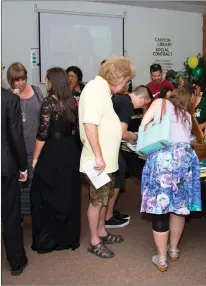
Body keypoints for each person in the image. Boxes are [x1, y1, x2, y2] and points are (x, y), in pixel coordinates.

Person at [79, 56, 136, 259]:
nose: (125, 85)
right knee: (97, 202)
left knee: (104, 200)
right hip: (98, 162)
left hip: (106, 161)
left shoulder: (103, 90)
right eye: (126, 80)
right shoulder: (95, 89)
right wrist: (99, 156)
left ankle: (102, 232)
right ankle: (94, 241)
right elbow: (89, 124)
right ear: (118, 77)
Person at [140, 88, 202, 272]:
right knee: (179, 206)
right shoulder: (187, 115)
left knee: (160, 208)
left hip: (162, 160)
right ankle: (173, 250)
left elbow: (144, 125)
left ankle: (161, 259)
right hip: (184, 159)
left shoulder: (159, 103)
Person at [30, 67, 81, 254]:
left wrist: (35, 158)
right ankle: (67, 237)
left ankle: (49, 238)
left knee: (47, 193)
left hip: (53, 151)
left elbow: (42, 134)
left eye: (47, 79)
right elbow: (75, 131)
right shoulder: (73, 102)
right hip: (70, 151)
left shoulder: (48, 103)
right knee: (68, 193)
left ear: (52, 82)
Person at [105, 85, 152, 228]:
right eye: (143, 104)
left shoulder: (119, 99)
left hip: (105, 143)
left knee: (119, 172)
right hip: (108, 145)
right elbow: (123, 133)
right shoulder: (128, 104)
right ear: (142, 98)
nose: (140, 107)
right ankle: (108, 217)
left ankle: (108, 212)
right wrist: (136, 137)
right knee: (118, 175)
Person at [6, 62, 44, 217]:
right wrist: (13, 99)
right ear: (11, 80)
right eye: (17, 80)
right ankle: (19, 217)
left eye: (23, 79)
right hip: (18, 149)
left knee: (37, 183)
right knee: (20, 186)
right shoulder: (8, 97)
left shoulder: (36, 90)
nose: (21, 83)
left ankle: (37, 214)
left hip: (37, 146)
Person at [1, 87, 28, 276]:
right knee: (10, 214)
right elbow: (15, 135)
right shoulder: (9, 98)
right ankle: (16, 262)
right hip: (5, 166)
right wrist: (22, 166)